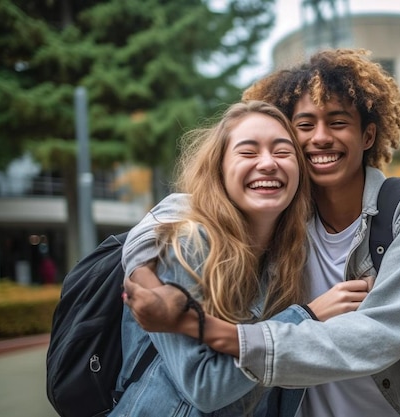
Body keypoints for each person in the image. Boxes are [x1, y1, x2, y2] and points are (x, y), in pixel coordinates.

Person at [123, 49, 400, 416]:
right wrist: (141, 270)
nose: (321, 137)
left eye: (338, 122)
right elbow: (185, 209)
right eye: (305, 126)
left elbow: (382, 332)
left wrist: (216, 332)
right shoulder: (284, 216)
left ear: (368, 136)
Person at [111, 100, 369, 416]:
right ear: (219, 169)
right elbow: (204, 387)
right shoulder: (187, 243)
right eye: (247, 152)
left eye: (282, 152)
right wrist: (306, 317)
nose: (267, 163)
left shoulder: (291, 257)